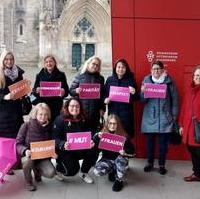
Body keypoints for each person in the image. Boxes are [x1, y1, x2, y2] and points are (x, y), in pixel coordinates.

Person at [140, 60, 178, 175]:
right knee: (150, 144)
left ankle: (162, 165)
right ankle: (150, 163)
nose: (156, 71)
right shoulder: (146, 81)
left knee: (163, 145)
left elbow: (175, 100)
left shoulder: (169, 82)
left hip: (165, 118)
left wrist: (174, 115)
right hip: (150, 117)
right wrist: (142, 93)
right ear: (151, 71)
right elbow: (143, 101)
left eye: (158, 69)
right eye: (154, 69)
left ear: (162, 70)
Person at [52, 97, 98, 183]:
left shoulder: (84, 118)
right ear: (67, 107)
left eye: (77, 106)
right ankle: (59, 169)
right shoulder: (60, 120)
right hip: (66, 150)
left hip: (80, 148)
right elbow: (54, 138)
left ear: (80, 108)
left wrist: (92, 140)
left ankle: (84, 172)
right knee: (72, 171)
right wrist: (62, 144)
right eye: (72, 106)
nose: (75, 108)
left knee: (95, 148)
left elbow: (91, 131)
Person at [16, 103, 56, 191]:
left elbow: (53, 143)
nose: (43, 117)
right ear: (36, 114)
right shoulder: (26, 125)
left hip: (42, 157)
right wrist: (25, 150)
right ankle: (28, 181)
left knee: (51, 173)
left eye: (46, 114)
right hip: (29, 156)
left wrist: (54, 153)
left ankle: (37, 171)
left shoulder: (50, 127)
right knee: (27, 161)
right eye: (40, 114)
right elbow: (18, 143)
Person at [93, 114, 135, 192]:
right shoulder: (103, 134)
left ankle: (119, 180)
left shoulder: (123, 136)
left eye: (114, 123)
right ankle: (112, 170)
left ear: (118, 124)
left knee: (120, 159)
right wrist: (96, 137)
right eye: (110, 123)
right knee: (97, 171)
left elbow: (132, 150)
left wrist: (125, 151)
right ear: (107, 124)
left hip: (120, 159)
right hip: (107, 159)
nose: (112, 126)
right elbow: (95, 148)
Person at [0, 50, 24, 175]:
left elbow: (21, 89)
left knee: (16, 138)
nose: (9, 61)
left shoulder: (19, 73)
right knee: (5, 142)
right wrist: (5, 97)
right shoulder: (0, 74)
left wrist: (23, 94)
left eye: (11, 59)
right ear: (3, 60)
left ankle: (15, 164)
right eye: (6, 59)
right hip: (4, 114)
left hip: (17, 111)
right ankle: (5, 166)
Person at [69, 56, 105, 134]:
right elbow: (71, 91)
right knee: (81, 134)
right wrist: (76, 91)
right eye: (93, 64)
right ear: (88, 63)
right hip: (81, 111)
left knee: (93, 133)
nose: (95, 66)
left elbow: (102, 95)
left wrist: (103, 108)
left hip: (95, 113)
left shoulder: (101, 78)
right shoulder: (80, 76)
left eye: (97, 65)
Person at [104, 58, 138, 138]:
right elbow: (104, 94)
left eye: (123, 67)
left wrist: (134, 92)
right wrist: (105, 99)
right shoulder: (109, 80)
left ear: (126, 69)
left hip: (126, 114)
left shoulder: (131, 80)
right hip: (113, 113)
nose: (120, 69)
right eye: (118, 67)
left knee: (125, 137)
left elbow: (136, 98)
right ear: (115, 68)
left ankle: (124, 151)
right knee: (113, 136)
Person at [179, 65, 200, 182]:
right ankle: (197, 173)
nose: (198, 78)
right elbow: (183, 109)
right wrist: (181, 125)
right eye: (196, 75)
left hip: (198, 128)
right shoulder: (189, 91)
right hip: (188, 127)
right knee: (192, 151)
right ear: (193, 77)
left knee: (198, 152)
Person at [33, 55, 69, 121]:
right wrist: (36, 90)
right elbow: (34, 91)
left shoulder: (61, 75)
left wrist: (63, 91)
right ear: (44, 64)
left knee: (55, 124)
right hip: (43, 106)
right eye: (46, 62)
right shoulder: (39, 75)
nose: (49, 63)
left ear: (54, 63)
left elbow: (66, 91)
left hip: (56, 106)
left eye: (51, 61)